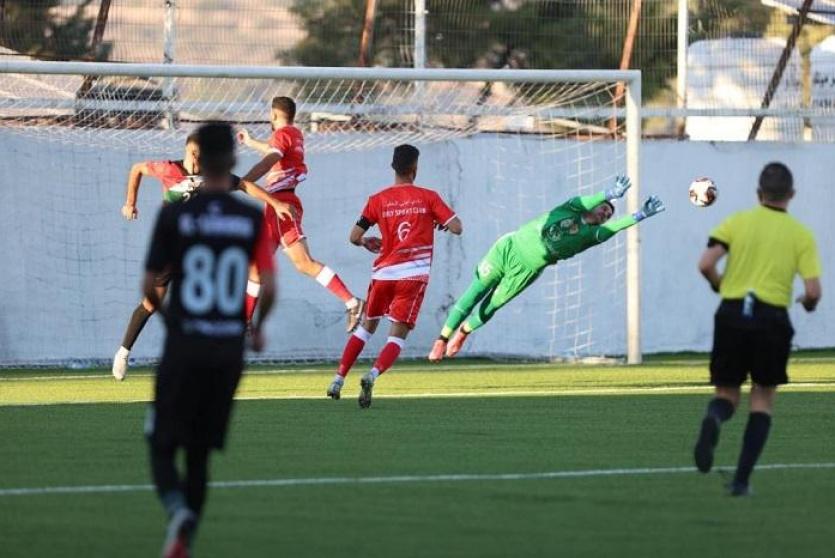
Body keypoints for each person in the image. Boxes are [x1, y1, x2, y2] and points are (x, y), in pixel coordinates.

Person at [144, 122, 276, 558]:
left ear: (197, 158)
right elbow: (269, 286)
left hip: (185, 346)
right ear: (233, 160)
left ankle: (177, 510)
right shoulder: (250, 218)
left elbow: (149, 284)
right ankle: (185, 541)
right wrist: (257, 327)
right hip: (227, 352)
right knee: (199, 454)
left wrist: (171, 321)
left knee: (160, 439)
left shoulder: (174, 213)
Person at [112, 134, 291, 381]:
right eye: (200, 155)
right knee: (151, 304)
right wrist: (130, 202)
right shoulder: (168, 169)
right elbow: (137, 168)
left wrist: (275, 203)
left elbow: (244, 185)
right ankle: (123, 352)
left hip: (198, 252)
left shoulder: (212, 178)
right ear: (192, 153)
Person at [428, 176, 664, 361]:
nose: (606, 213)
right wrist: (609, 194)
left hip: (527, 270)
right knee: (475, 292)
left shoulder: (593, 235)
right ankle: (442, 338)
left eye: (609, 214)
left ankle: (464, 331)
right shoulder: (571, 207)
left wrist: (640, 214)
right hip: (508, 249)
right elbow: (587, 200)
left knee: (493, 304)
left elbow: (616, 227)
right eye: (604, 208)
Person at [692, 162, 821, 496]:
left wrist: (720, 285)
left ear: (758, 193)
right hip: (771, 319)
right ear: (791, 194)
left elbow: (706, 264)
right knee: (762, 399)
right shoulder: (800, 234)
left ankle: (714, 419)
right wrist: (807, 304)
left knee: (726, 395)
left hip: (732, 313)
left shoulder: (737, 222)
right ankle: (740, 481)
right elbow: (813, 291)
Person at [326, 144, 462, 408]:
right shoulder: (428, 197)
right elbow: (457, 227)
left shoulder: (377, 200)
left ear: (393, 167)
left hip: (383, 274)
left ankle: (338, 379)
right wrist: (438, 221)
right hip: (412, 277)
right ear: (415, 168)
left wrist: (365, 242)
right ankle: (372, 375)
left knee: (366, 328)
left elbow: (354, 236)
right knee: (396, 337)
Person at [237, 96, 364, 333]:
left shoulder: (281, 135)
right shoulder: (294, 135)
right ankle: (244, 321)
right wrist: (252, 142)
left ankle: (352, 302)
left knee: (303, 263)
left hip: (281, 205)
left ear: (273, 114)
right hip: (279, 204)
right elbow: (274, 151)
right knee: (256, 266)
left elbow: (268, 161)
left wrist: (242, 182)